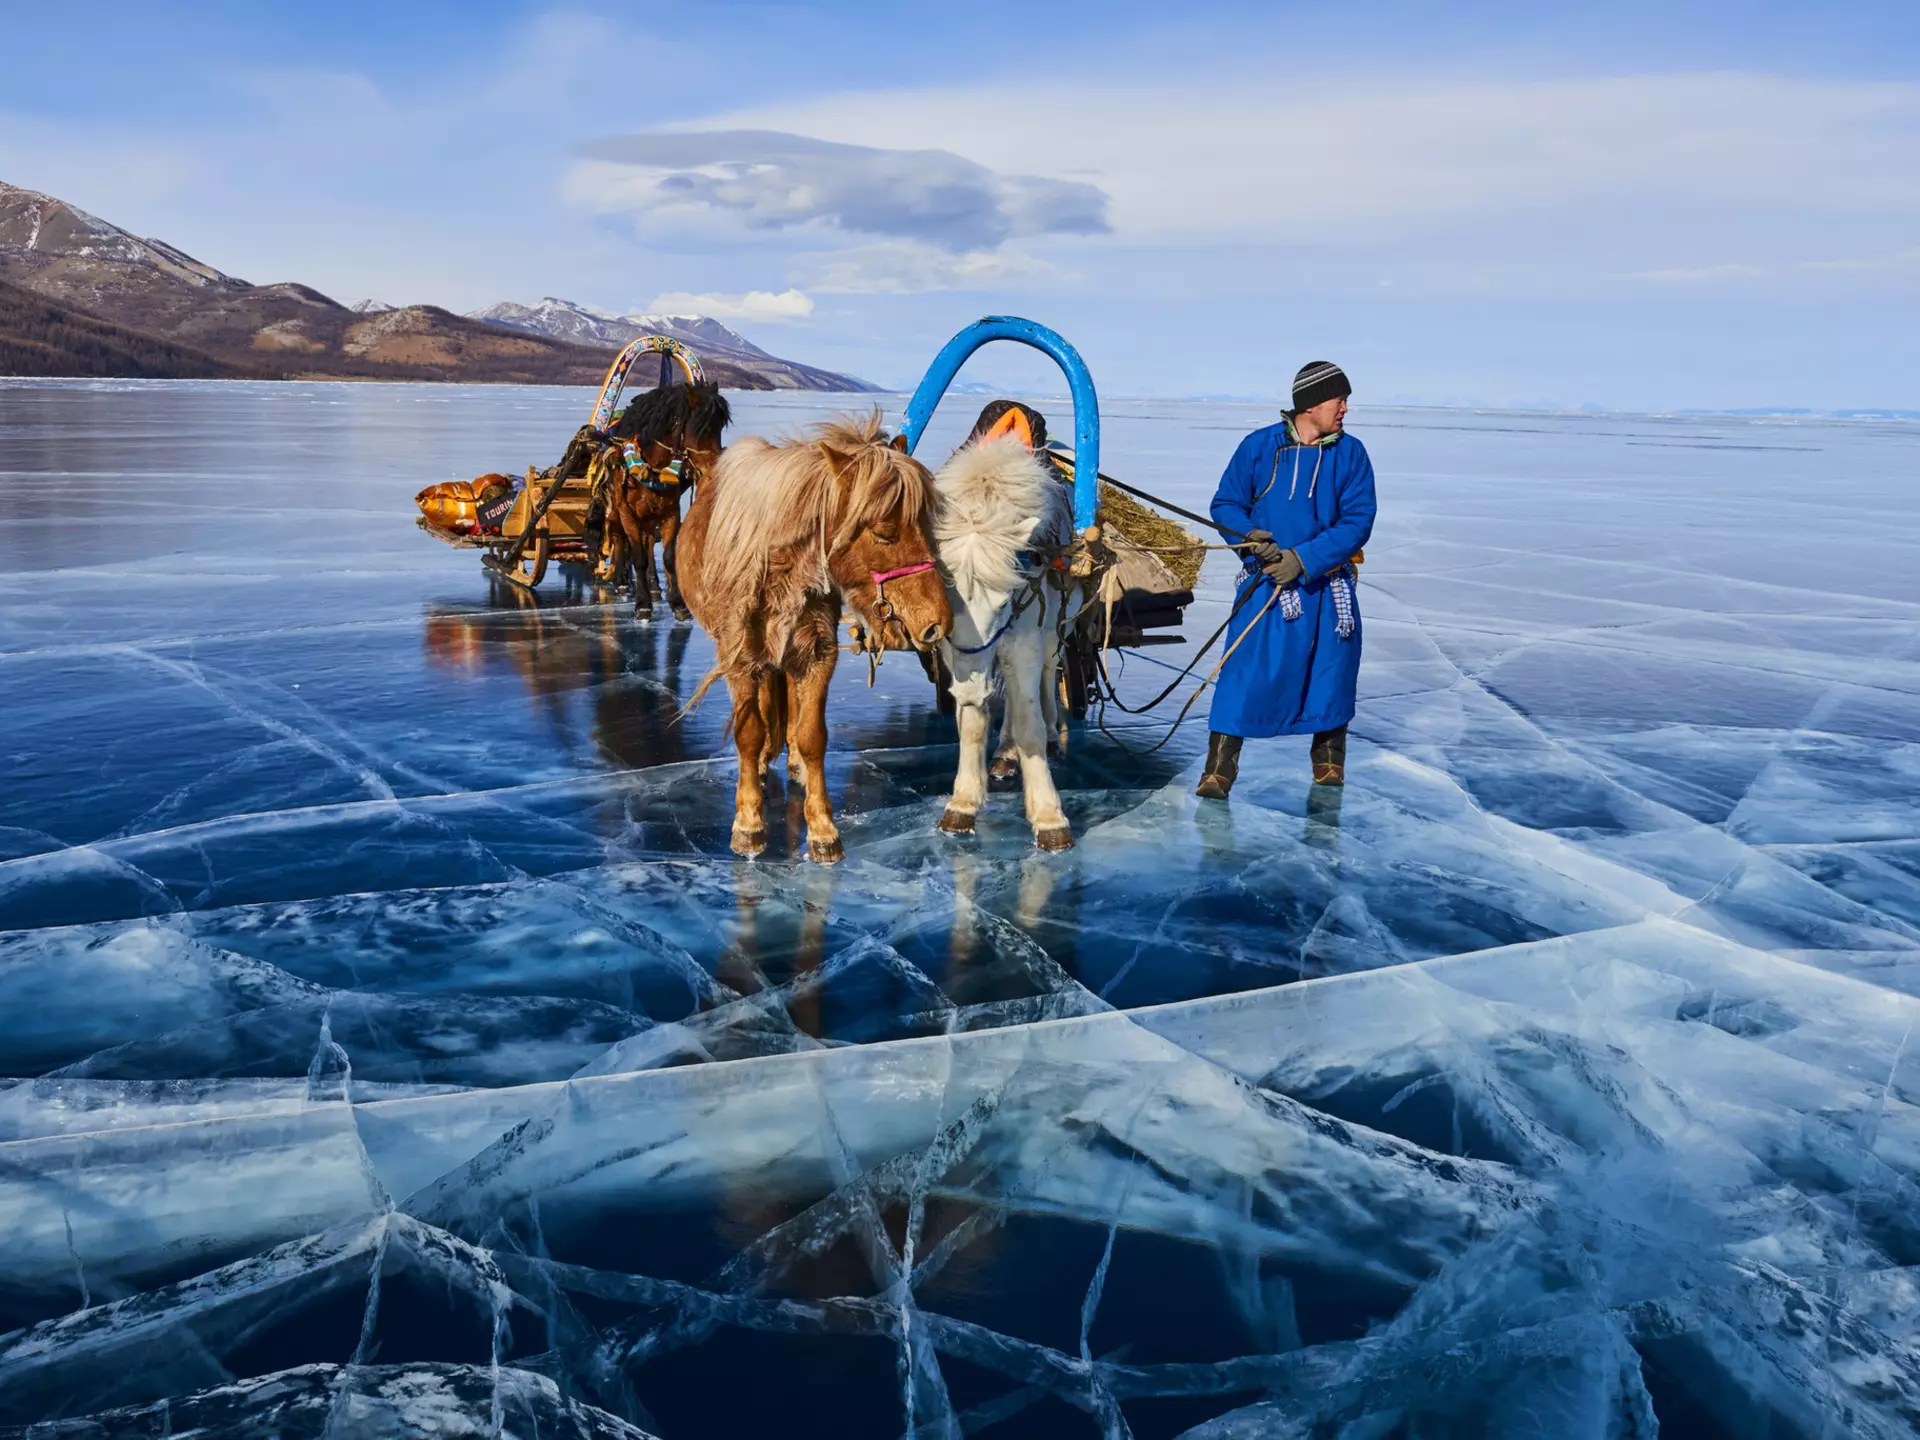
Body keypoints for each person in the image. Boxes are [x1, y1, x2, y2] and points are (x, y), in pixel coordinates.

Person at [1196, 361, 1377, 799]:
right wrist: (1249, 540)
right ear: (1312, 404)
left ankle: (1329, 763)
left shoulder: (1350, 454)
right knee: (1243, 670)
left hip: (1325, 586)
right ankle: (1219, 770)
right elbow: (1226, 504)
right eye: (1339, 400)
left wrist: (1304, 558)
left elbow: (1358, 520)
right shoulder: (1259, 447)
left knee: (1330, 672)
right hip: (1266, 584)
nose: (1346, 409)